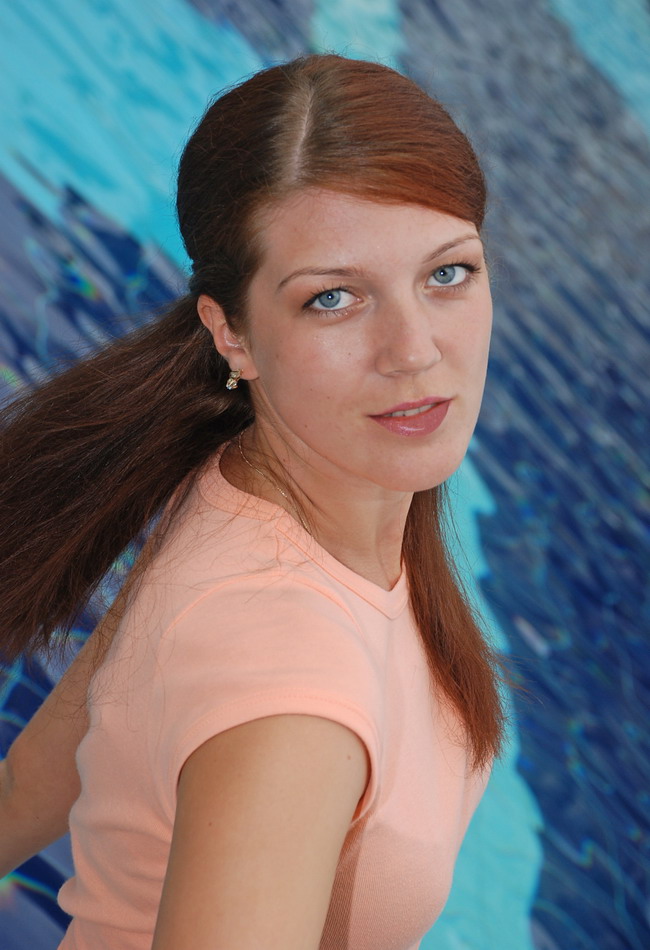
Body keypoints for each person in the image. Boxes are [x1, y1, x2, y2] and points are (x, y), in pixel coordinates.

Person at [0, 54, 512, 949]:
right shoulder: (292, 703)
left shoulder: (245, 485)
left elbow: (23, 791)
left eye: (446, 274)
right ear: (230, 333)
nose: (414, 349)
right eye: (334, 298)